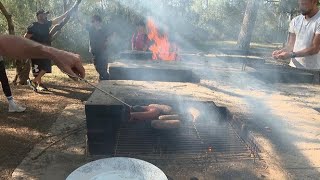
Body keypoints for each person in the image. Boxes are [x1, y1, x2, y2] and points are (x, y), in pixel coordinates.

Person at [25, 5, 78, 91]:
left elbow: (56, 20)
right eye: (44, 14)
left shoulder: (46, 24)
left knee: (46, 66)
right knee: (37, 69)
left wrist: (66, 14)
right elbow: (25, 38)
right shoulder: (33, 26)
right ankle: (38, 83)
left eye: (46, 15)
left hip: (45, 49)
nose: (46, 16)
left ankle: (34, 81)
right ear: (39, 16)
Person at [272, 0, 320, 83]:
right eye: (300, 4)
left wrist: (291, 54)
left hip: (313, 70)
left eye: (304, 4)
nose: (301, 7)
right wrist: (281, 52)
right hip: (293, 67)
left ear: (314, 2)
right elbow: (291, 45)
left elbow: (315, 48)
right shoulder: (295, 21)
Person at [78, 15, 111, 80]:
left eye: (93, 21)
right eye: (92, 21)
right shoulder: (91, 29)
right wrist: (78, 17)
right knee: (97, 67)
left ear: (98, 21)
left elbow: (110, 37)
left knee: (103, 67)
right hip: (95, 52)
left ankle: (104, 80)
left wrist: (107, 42)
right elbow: (83, 23)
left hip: (103, 52)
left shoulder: (104, 29)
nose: (92, 23)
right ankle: (106, 78)